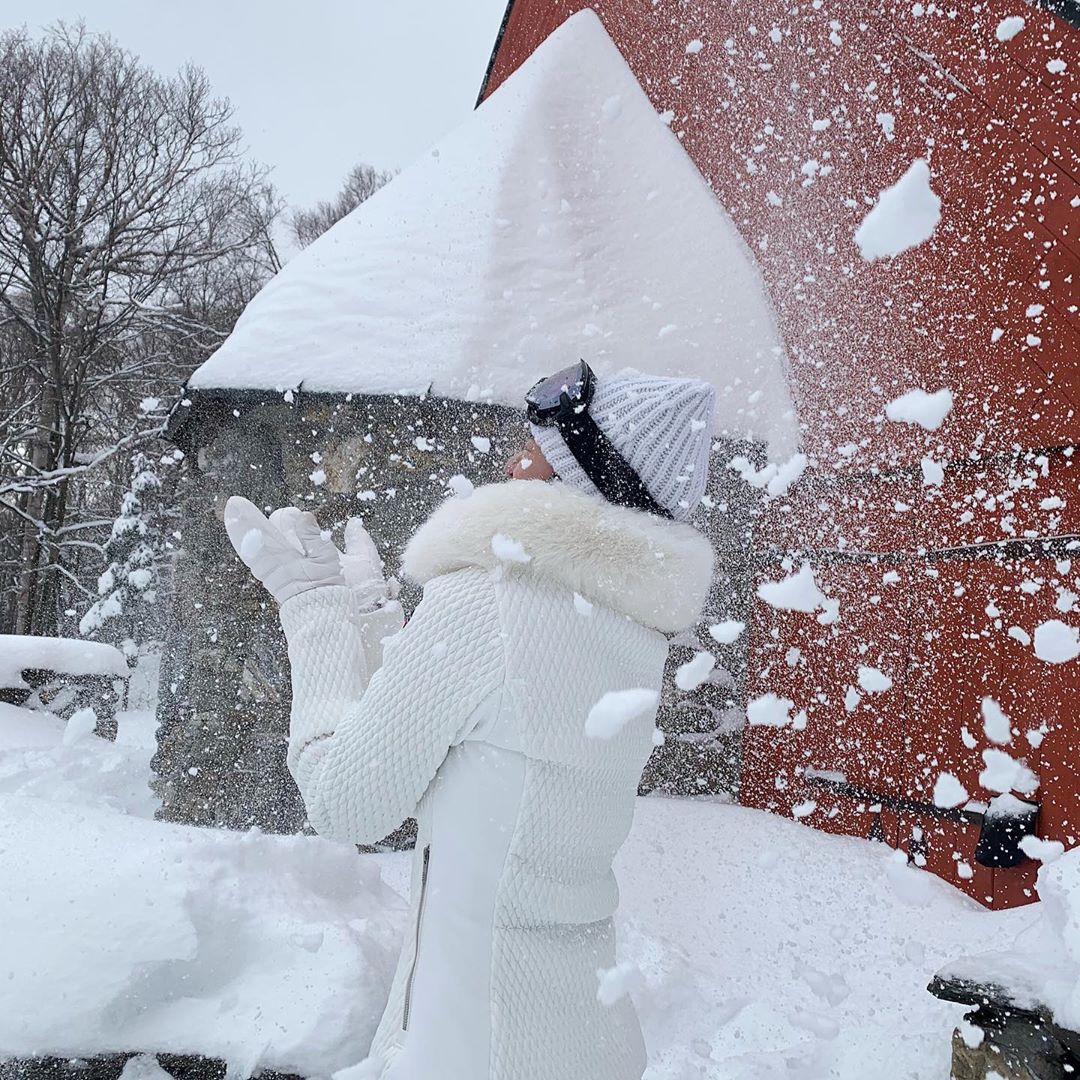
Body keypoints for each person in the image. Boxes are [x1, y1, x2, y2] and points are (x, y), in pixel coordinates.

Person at [224, 362, 716, 1080]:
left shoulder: (489, 598)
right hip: (578, 1037)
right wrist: (375, 624)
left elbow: (347, 801)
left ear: (581, 477)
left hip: (473, 1047)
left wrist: (314, 608)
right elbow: (468, 750)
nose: (512, 462)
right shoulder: (630, 632)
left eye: (537, 448)